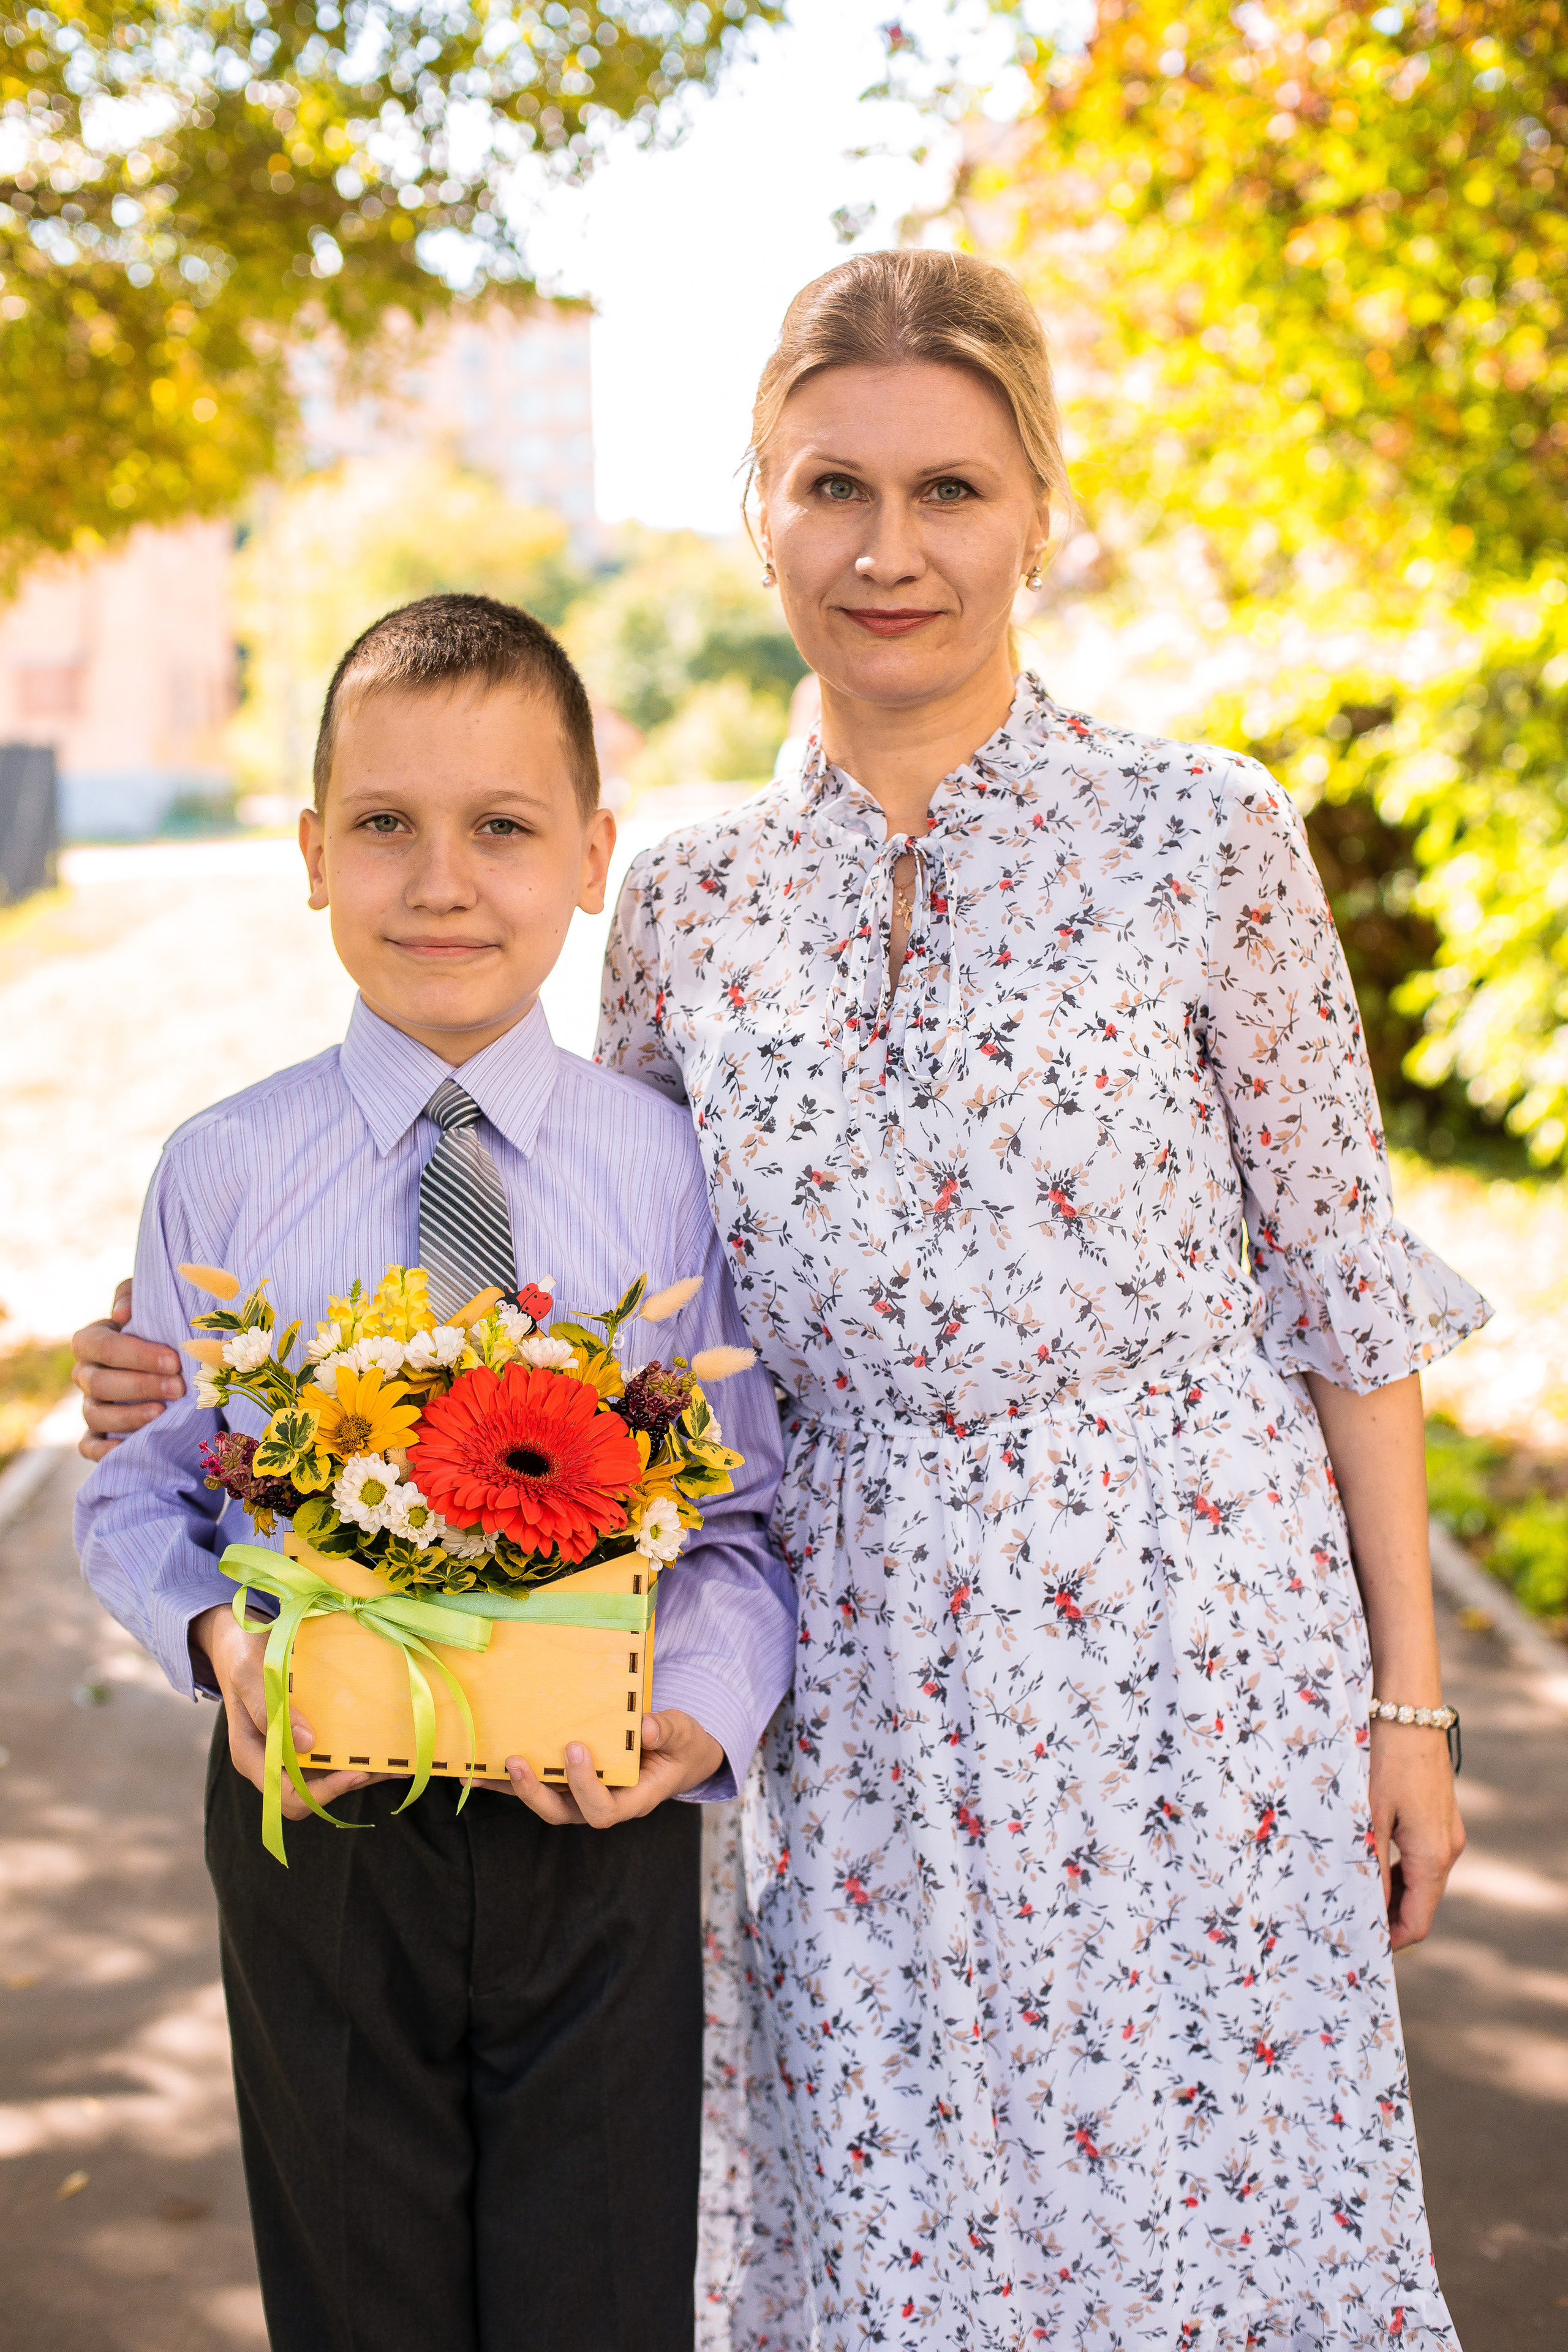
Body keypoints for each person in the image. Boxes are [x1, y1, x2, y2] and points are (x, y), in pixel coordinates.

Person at [78, 251, 1483, 2350]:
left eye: (949, 491)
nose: (889, 548)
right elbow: (579, 1280)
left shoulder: (1209, 838)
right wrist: (182, 1381)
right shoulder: (691, 895)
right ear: (761, 511)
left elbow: (1343, 1291)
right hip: (839, 1664)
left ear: (1040, 509)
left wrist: (1410, 1696)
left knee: (1208, 2228)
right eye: (833, 486)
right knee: (876, 2238)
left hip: (1194, 1647)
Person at [74, 591, 795, 2352]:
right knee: (356, 2293)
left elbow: (748, 1515)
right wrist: (220, 1647)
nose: (442, 881)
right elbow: (138, 1493)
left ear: (594, 854)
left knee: (599, 2290)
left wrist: (698, 1714)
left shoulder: (677, 1173)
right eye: (385, 825)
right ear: (313, 855)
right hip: (312, 1817)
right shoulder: (227, 1174)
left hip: (595, 1823)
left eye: (504, 828)